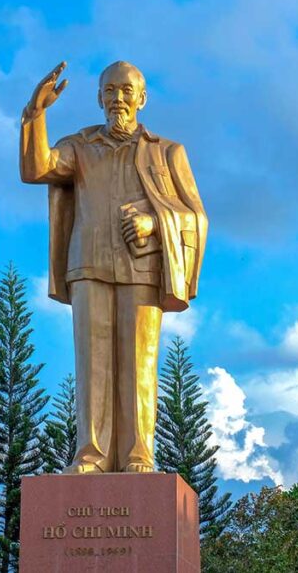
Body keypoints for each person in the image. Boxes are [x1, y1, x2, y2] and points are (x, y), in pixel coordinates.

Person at [19, 60, 207, 473]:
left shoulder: (167, 152)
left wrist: (153, 222)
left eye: (126, 90)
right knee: (92, 365)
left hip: (141, 267)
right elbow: (37, 169)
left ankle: (139, 454)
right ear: (98, 98)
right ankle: (91, 455)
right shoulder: (79, 146)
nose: (117, 98)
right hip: (88, 263)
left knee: (139, 363)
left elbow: (194, 215)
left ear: (142, 98)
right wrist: (36, 114)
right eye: (109, 91)